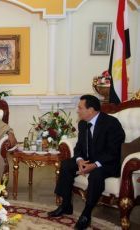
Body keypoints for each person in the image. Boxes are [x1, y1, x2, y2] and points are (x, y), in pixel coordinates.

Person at [48, 95, 125, 230]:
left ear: (91, 110)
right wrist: (79, 160)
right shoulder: (83, 123)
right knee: (66, 165)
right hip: (88, 159)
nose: (78, 110)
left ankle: (86, 213)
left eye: (80, 108)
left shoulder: (111, 123)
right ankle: (66, 205)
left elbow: (114, 151)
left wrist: (94, 165)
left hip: (106, 163)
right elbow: (79, 146)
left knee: (96, 174)